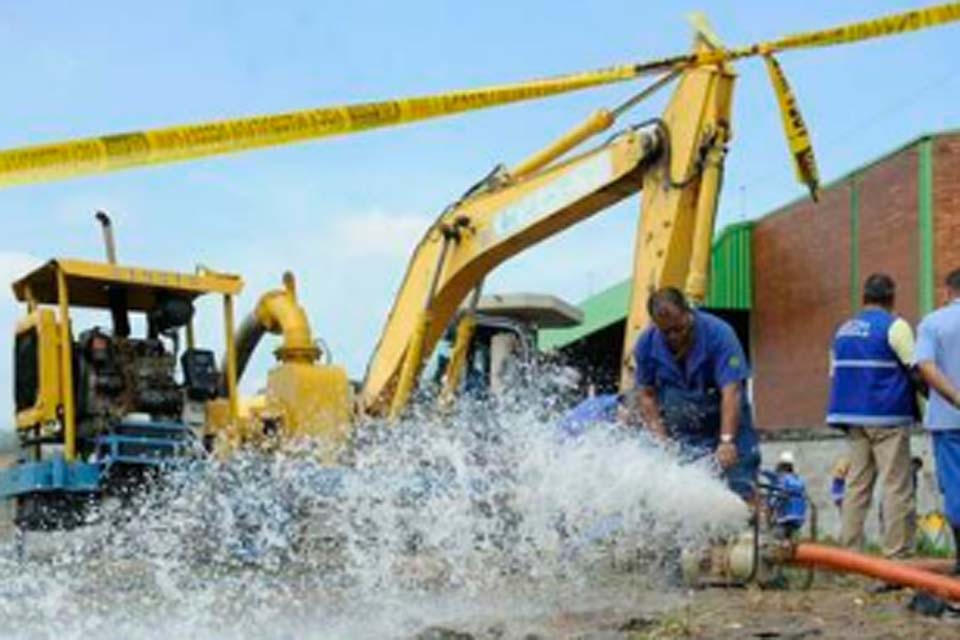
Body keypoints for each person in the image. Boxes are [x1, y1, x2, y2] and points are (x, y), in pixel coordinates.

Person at [633, 287, 761, 500]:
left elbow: (732, 390)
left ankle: (747, 525)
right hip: (684, 431)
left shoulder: (719, 334)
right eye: (666, 332)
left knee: (739, 485)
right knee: (688, 493)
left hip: (726, 423)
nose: (674, 336)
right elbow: (647, 395)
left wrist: (727, 440)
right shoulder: (646, 344)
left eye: (679, 328)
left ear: (688, 313)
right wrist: (661, 441)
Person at [826, 273, 916, 558]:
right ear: (892, 298)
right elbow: (916, 368)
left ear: (863, 298)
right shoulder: (895, 326)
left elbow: (834, 374)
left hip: (851, 418)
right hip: (887, 416)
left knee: (856, 485)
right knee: (895, 485)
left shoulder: (842, 331)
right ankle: (896, 553)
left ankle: (851, 555)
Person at [915, 268, 960, 574]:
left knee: (956, 490)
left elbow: (925, 367)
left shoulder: (933, 322)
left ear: (947, 291)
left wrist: (956, 398)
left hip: (949, 421)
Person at [765, 450, 807, 538]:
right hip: (799, 517)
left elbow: (776, 497)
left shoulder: (782, 479)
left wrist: (769, 508)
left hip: (785, 518)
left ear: (780, 465)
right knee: (792, 539)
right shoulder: (798, 479)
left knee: (776, 539)